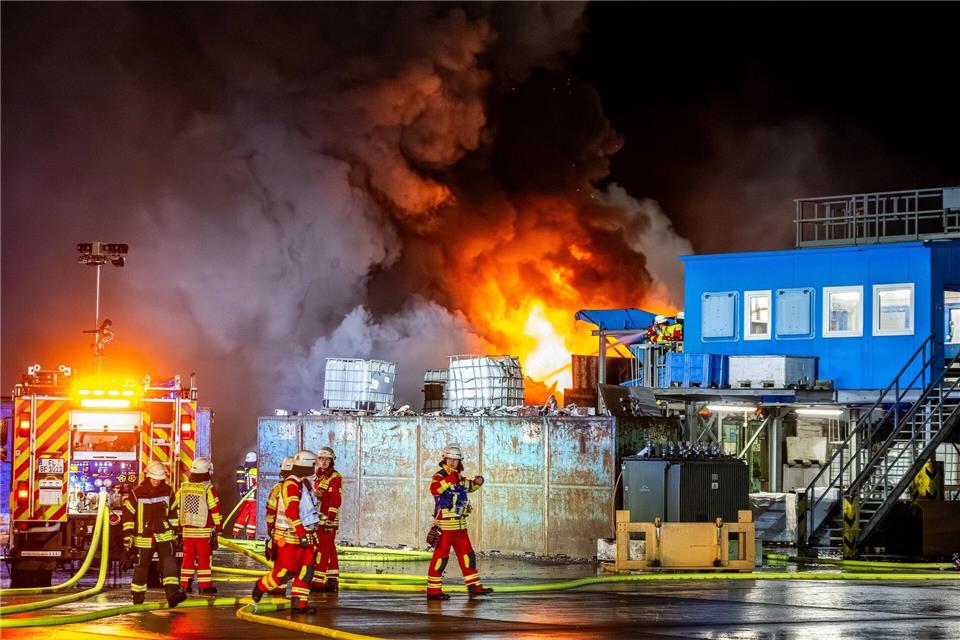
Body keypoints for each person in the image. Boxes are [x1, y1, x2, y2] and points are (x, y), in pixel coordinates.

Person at [252, 450, 321, 615]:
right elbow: (291, 512)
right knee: (287, 571)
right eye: (313, 465)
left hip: (306, 534)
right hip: (290, 537)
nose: (315, 468)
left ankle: (299, 604)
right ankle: (261, 585)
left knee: (307, 571)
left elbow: (308, 510)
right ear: (306, 465)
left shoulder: (303, 484)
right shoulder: (291, 485)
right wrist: (301, 533)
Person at [426, 443, 493, 600]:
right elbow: (435, 489)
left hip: (460, 526)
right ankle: (433, 592)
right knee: (441, 558)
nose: (453, 462)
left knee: (468, 556)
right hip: (446, 526)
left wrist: (477, 483)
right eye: (450, 459)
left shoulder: (459, 476)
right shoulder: (440, 475)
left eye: (456, 460)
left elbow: (467, 487)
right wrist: (450, 479)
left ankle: (474, 587)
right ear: (445, 459)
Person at [121, 461, 186, 607]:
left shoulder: (168, 492)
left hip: (165, 535)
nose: (157, 481)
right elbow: (128, 515)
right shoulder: (136, 493)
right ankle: (137, 597)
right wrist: (128, 535)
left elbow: (173, 513)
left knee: (169, 565)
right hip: (143, 537)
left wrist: (176, 531)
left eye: (159, 479)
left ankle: (173, 595)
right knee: (141, 567)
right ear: (147, 477)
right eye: (154, 478)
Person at [176, 457, 222, 594]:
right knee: (204, 558)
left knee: (187, 558)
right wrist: (219, 527)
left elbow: (176, 506)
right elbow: (215, 509)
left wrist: (178, 524)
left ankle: (185, 585)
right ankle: (204, 586)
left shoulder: (183, 488)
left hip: (187, 531)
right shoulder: (208, 488)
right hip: (203, 530)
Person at [311, 446, 342, 592]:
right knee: (330, 549)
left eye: (326, 460)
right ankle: (332, 580)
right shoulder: (318, 476)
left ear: (332, 461)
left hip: (327, 520)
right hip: (319, 518)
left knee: (322, 549)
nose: (323, 462)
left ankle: (318, 582)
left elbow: (335, 499)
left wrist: (330, 518)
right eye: (321, 459)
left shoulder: (334, 477)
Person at [264, 455, 295, 595]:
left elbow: (270, 510)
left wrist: (270, 528)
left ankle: (279, 587)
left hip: (281, 534)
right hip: (297, 534)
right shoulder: (303, 488)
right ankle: (299, 592)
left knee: (280, 561)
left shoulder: (277, 488)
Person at [233, 451, 258, 539]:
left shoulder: (244, 470)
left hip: (245, 499)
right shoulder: (255, 471)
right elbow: (257, 483)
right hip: (254, 499)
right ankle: (249, 536)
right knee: (252, 517)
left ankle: (235, 533)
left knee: (242, 516)